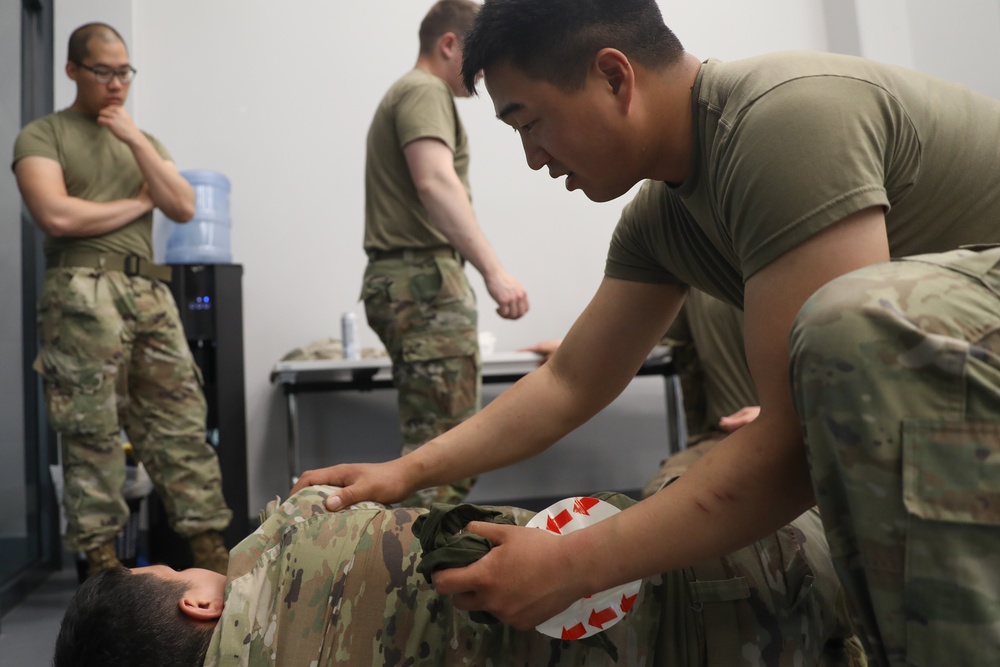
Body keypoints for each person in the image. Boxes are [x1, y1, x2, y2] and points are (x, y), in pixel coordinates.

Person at [292, 1, 1000, 665]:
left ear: (611, 76)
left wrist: (571, 564)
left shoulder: (784, 120)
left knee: (839, 339)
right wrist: (407, 470)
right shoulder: (662, 216)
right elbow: (570, 382)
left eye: (529, 121)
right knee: (701, 474)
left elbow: (791, 447)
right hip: (962, 370)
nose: (534, 157)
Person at [53, 484, 867, 667]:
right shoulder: (282, 552)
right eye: (167, 567)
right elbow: (310, 508)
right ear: (198, 605)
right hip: (717, 566)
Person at [12, 22, 232, 577]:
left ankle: (216, 558)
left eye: (124, 72)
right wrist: (137, 203)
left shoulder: (144, 141)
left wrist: (134, 139)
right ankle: (104, 571)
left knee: (181, 426)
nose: (116, 84)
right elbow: (57, 215)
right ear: (73, 71)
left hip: (149, 293)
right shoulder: (42, 135)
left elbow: (182, 205)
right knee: (92, 435)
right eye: (102, 72)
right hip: (81, 291)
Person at [361, 0, 530, 508]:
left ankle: (413, 573)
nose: (481, 75)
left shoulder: (414, 93)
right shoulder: (423, 89)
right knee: (440, 460)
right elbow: (436, 182)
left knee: (437, 454)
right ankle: (417, 581)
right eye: (475, 58)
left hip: (413, 280)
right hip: (424, 282)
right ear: (449, 44)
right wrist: (495, 272)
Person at [524, 288, 761, 498]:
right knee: (668, 498)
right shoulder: (702, 280)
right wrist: (578, 351)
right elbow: (644, 335)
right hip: (723, 439)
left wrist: (787, 414)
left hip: (791, 435)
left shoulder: (789, 266)